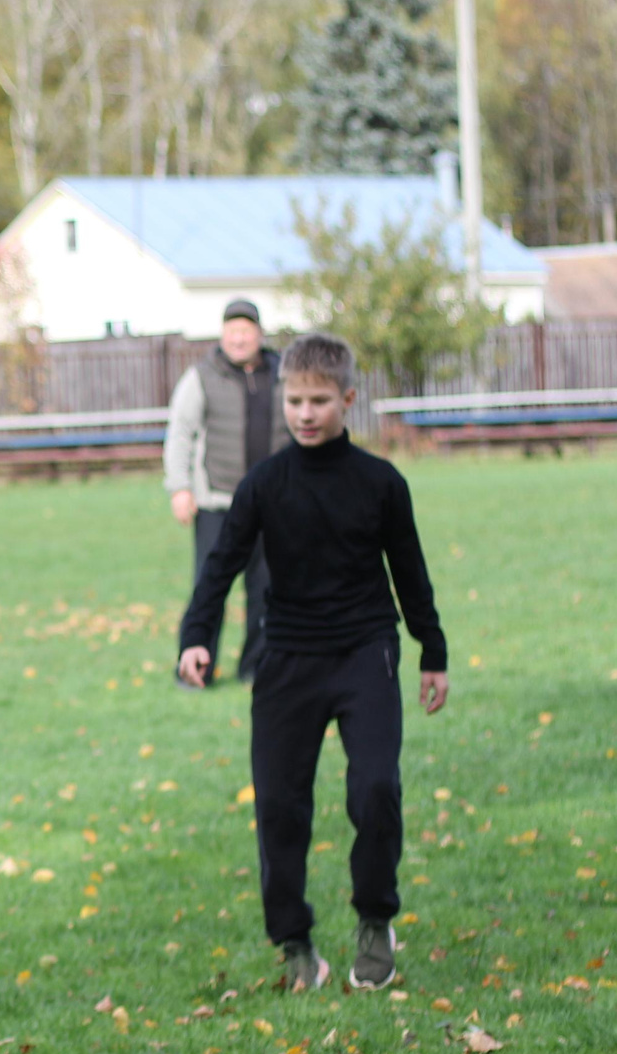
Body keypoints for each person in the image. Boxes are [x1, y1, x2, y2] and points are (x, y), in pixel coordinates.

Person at [176, 333, 448, 994]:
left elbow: (409, 572)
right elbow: (221, 563)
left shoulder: (381, 483)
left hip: (365, 653)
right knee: (279, 806)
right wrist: (196, 634)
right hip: (287, 659)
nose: (304, 413)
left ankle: (376, 922)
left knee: (375, 790)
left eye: (319, 401)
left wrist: (432, 652)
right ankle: (296, 942)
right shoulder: (264, 484)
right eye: (294, 400)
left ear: (347, 400)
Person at [164, 298, 285, 685]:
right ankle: (195, 669)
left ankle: (256, 668)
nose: (238, 338)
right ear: (222, 335)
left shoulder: (283, 373)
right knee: (209, 588)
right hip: (217, 502)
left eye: (245, 331)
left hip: (272, 504)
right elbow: (180, 433)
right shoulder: (202, 376)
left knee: (267, 589)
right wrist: (180, 488)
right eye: (232, 331)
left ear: (259, 334)